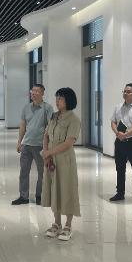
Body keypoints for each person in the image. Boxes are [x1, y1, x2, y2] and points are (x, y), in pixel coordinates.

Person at [41, 88, 81, 241]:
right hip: (51, 159)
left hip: (65, 160)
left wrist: (48, 153)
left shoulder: (73, 119)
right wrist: (46, 155)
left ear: (68, 101)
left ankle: (68, 225)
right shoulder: (54, 116)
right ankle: (56, 223)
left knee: (67, 190)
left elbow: (68, 143)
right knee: (54, 189)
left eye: (60, 98)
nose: (57, 101)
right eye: (56, 97)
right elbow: (46, 135)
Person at [12, 84, 54, 205]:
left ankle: (40, 195)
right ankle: (23, 196)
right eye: (32, 91)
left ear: (42, 94)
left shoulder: (47, 108)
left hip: (40, 145)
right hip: (27, 144)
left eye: (36, 91)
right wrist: (19, 142)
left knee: (42, 172)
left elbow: (50, 127)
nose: (33, 93)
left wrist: (48, 147)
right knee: (24, 171)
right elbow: (23, 125)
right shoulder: (27, 108)